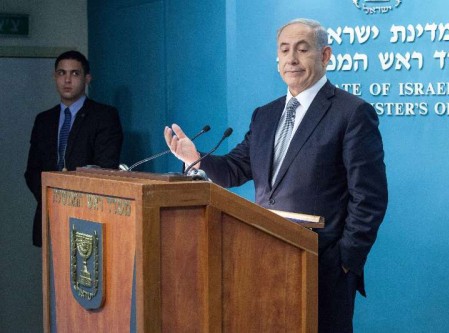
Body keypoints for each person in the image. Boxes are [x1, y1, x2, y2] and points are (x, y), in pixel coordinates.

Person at [164, 18, 388, 332]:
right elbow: (235, 169)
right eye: (284, 50)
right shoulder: (265, 114)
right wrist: (196, 159)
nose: (291, 59)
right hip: (262, 259)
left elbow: (370, 198)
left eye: (302, 49)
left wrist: (345, 261)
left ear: (325, 56)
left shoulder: (351, 113)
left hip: (322, 267)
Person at [24, 50, 123, 247]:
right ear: (55, 77)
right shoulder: (44, 120)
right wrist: (52, 198)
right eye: (61, 73)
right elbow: (32, 171)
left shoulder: (103, 116)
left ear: (87, 78)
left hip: (88, 216)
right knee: (50, 276)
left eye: (74, 74)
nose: (67, 80)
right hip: (49, 214)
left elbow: (105, 168)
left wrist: (72, 201)